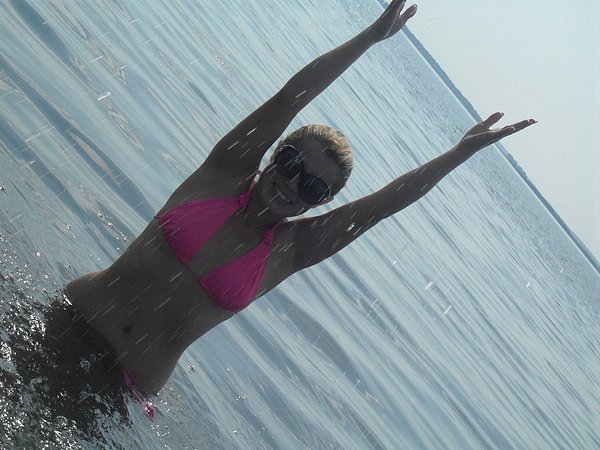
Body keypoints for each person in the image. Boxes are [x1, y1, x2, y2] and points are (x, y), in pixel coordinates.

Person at [64, 0, 535, 394]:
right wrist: (369, 38)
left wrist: (457, 154)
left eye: (312, 186)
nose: (292, 185)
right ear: (274, 153)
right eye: (292, 163)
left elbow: (382, 206)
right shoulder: (222, 175)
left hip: (123, 389)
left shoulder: (289, 252)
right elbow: (290, 98)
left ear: (320, 202)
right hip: (71, 318)